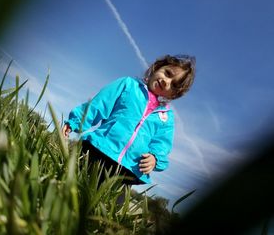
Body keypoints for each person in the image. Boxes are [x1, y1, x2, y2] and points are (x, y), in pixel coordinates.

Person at [62, 55, 196, 186]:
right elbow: (99, 105)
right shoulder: (128, 85)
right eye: (167, 73)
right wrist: (75, 121)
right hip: (98, 151)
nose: (167, 81)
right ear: (157, 67)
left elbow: (162, 144)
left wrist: (155, 158)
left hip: (128, 170)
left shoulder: (166, 117)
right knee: (72, 185)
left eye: (173, 85)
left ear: (174, 94)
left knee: (106, 206)